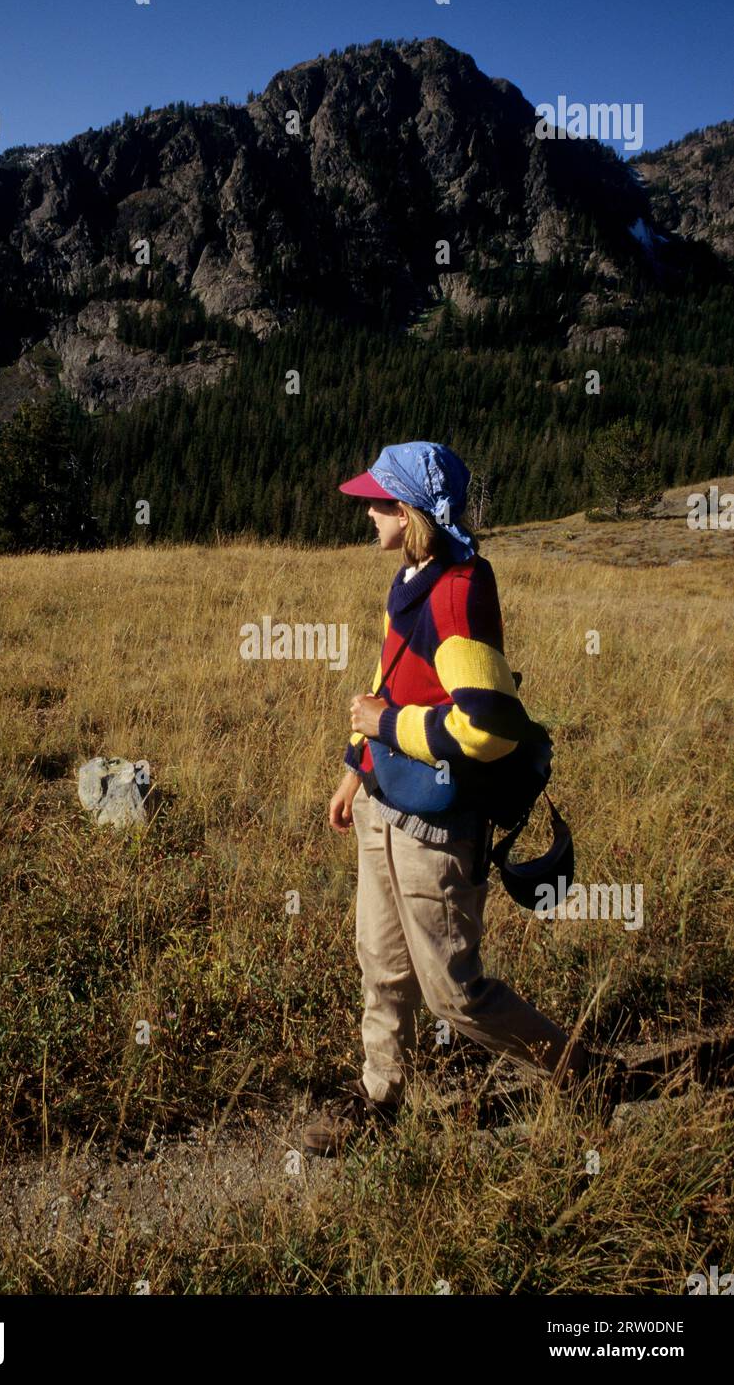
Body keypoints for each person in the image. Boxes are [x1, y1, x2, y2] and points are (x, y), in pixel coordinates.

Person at [302, 441, 612, 1158]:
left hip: (435, 827)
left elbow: (488, 727)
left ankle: (579, 1073)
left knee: (453, 993)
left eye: (379, 503)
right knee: (378, 964)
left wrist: (388, 728)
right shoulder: (409, 579)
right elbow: (390, 676)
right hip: (384, 805)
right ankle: (379, 1093)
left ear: (409, 510)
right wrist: (356, 767)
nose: (367, 514)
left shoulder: (458, 589)